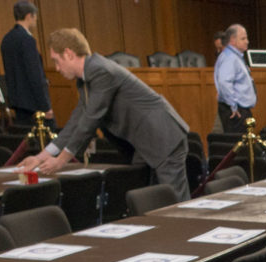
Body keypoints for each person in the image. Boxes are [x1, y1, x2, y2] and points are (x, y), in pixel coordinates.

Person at [19, 28, 191, 201]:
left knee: (175, 204)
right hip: (145, 143)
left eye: (57, 61)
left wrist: (61, 160)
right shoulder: (85, 80)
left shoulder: (100, 71)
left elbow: (90, 121)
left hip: (163, 137)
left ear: (69, 54)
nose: (56, 68)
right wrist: (40, 158)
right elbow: (74, 124)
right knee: (147, 200)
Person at [0, 1, 54, 127]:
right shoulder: (27, 40)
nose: (36, 20)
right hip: (33, 103)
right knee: (49, 134)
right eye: (35, 16)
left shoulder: (6, 39)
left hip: (17, 102)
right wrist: (45, 106)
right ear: (29, 16)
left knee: (25, 135)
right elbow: (34, 74)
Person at [214, 24, 256, 134]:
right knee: (238, 143)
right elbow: (224, 82)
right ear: (232, 40)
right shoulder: (230, 58)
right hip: (236, 112)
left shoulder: (235, 57)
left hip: (239, 110)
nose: (247, 41)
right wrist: (233, 105)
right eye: (243, 38)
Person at [211, 30, 226, 134]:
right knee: (216, 133)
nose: (218, 52)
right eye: (217, 49)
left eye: (220, 48)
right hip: (223, 104)